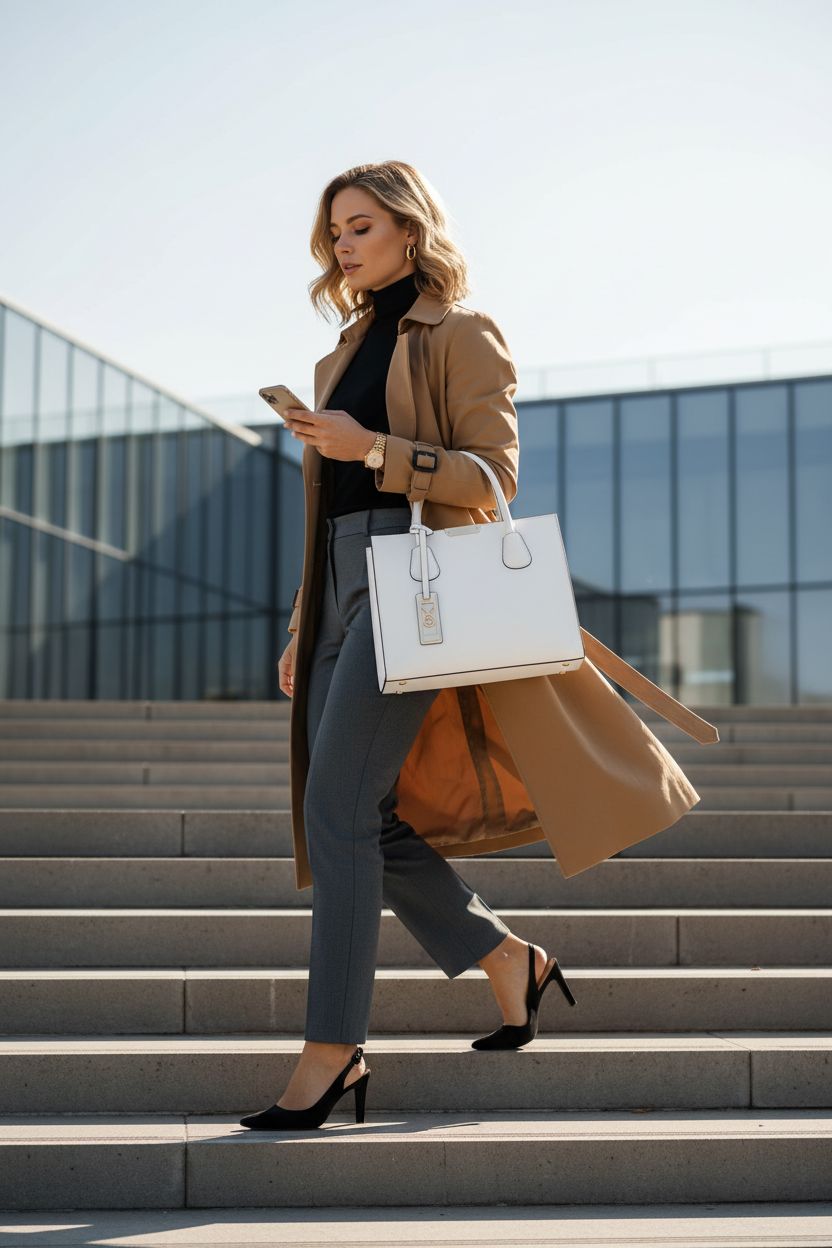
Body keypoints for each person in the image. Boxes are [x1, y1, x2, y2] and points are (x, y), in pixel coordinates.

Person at [239, 161, 576, 1132]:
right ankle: (507, 957)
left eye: (359, 227)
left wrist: (375, 449)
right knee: (359, 811)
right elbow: (326, 500)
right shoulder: (341, 352)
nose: (341, 245)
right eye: (333, 232)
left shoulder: (461, 332)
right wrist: (306, 620)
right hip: (344, 586)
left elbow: (489, 475)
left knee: (336, 804)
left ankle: (331, 1051)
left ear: (408, 231)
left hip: (414, 578)